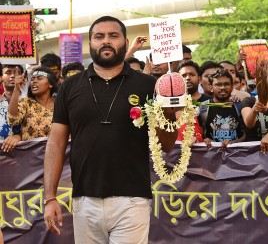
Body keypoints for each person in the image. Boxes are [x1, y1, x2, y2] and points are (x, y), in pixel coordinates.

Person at [43, 16, 179, 244]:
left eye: (113, 36)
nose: (106, 41)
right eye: (99, 36)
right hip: (85, 199)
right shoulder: (69, 87)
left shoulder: (148, 85)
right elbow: (55, 143)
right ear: (90, 44)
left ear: (125, 42)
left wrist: (168, 113)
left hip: (132, 199)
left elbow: (166, 144)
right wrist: (49, 197)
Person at [199, 69, 246, 149]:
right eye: (218, 85)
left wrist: (232, 143)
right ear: (211, 87)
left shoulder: (239, 106)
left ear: (232, 87)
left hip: (236, 156)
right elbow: (198, 133)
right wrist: (204, 140)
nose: (223, 87)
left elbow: (246, 135)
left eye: (226, 84)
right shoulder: (203, 108)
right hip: (211, 156)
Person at [7, 66, 57, 141]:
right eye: (32, 79)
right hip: (30, 152)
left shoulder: (59, 105)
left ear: (50, 84)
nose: (34, 81)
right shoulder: (26, 103)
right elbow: (12, 120)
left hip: (55, 151)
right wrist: (16, 89)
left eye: (39, 78)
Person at [0, 64, 22, 152]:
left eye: (17, 73)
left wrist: (18, 136)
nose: (13, 76)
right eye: (8, 73)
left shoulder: (29, 102)